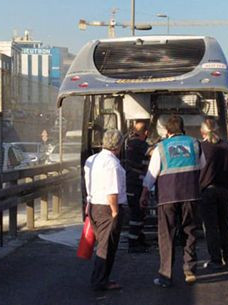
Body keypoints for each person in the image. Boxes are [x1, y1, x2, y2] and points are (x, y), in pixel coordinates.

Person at [140, 115, 202, 287]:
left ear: (167, 131)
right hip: (190, 194)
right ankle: (189, 269)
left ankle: (165, 275)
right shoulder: (195, 144)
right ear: (183, 129)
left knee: (166, 235)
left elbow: (151, 175)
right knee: (189, 231)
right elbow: (202, 166)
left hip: (167, 197)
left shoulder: (160, 148)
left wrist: (144, 194)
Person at [83, 129, 127, 292]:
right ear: (119, 145)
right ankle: (100, 280)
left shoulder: (92, 159)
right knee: (107, 245)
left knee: (103, 243)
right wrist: (115, 212)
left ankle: (100, 278)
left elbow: (88, 183)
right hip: (107, 208)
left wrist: (88, 202)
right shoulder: (112, 164)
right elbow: (112, 191)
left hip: (94, 205)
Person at [199, 117, 228, 269]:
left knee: (211, 226)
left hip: (207, 190)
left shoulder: (201, 147)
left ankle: (215, 259)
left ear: (202, 131)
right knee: (224, 223)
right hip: (225, 190)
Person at [124, 120, 150, 253]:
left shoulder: (129, 143)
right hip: (135, 184)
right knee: (137, 213)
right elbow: (152, 152)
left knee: (138, 213)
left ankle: (139, 238)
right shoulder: (140, 144)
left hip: (132, 182)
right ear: (146, 133)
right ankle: (133, 244)